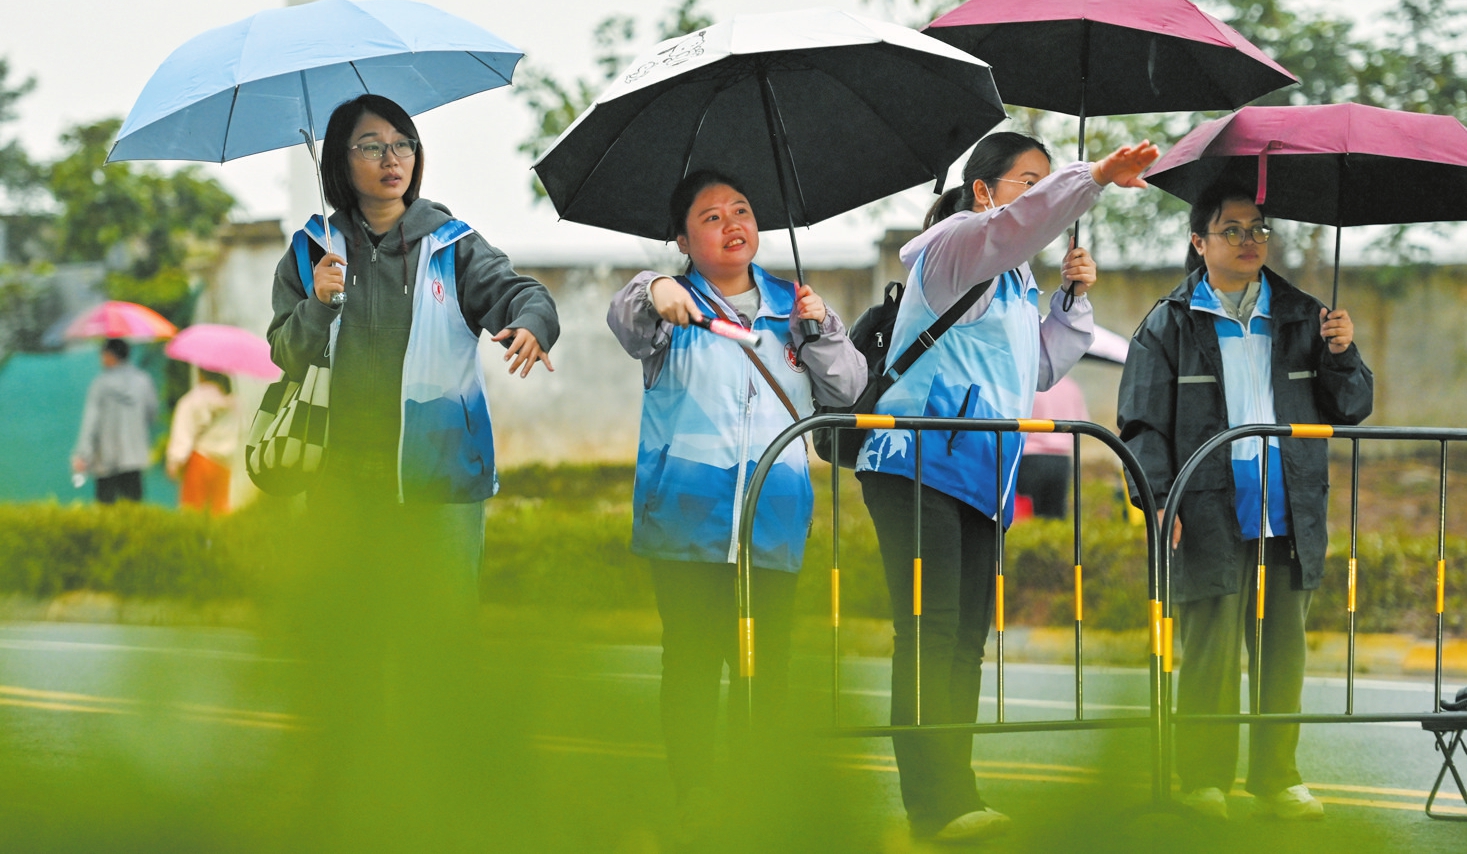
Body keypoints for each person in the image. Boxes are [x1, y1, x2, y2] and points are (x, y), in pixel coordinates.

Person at [855, 132, 1159, 843]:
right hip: (916, 462)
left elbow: (1040, 369)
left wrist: (1071, 302)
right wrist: (1092, 178)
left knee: (965, 641)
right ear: (984, 191)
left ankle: (955, 795)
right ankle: (932, 804)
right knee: (929, 633)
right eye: (1029, 180)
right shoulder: (956, 245)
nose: (1040, 194)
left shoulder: (1015, 282)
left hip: (980, 471)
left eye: (1046, 181)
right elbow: (1018, 227)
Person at [606, 170, 864, 835]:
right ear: (682, 238)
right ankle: (694, 795)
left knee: (766, 671)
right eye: (711, 216)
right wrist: (654, 286)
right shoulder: (672, 305)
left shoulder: (794, 306)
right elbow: (626, 321)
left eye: (741, 210)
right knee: (691, 665)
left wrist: (821, 330)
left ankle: (759, 800)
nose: (732, 225)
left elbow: (847, 391)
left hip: (772, 521)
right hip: (685, 522)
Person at [1117, 185, 1373, 822]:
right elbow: (1142, 423)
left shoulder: (1305, 316)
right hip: (1207, 508)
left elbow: (1351, 407)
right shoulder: (1169, 322)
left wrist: (1342, 353)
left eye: (1258, 228)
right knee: (1209, 651)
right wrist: (1158, 500)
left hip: (1288, 508)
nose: (1248, 240)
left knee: (1282, 654)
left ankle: (1276, 778)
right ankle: (1203, 779)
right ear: (1199, 242)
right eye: (1231, 229)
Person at [267, 93, 559, 589]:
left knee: (438, 626)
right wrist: (317, 305)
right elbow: (285, 355)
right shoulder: (310, 251)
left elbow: (521, 293)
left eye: (403, 144)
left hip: (438, 479)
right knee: (347, 626)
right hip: (337, 481)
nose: (392, 159)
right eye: (371, 146)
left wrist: (532, 322)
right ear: (340, 160)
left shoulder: (453, 246)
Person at [72, 337, 159, 504]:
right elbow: (152, 414)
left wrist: (83, 454)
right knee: (134, 508)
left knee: (106, 509)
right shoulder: (143, 381)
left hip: (106, 458)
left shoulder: (100, 384)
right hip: (134, 457)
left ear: (110, 355)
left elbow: (91, 422)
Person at [1016, 375, 1090, 520]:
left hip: (1030, 457)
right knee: (1055, 518)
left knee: (1025, 516)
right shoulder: (1071, 387)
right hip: (1062, 459)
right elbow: (1082, 421)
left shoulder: (1030, 383)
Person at [166, 369, 239, 513]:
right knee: (220, 512)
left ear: (200, 373)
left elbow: (184, 432)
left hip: (200, 459)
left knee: (194, 512)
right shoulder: (233, 403)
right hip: (225, 464)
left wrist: (175, 461)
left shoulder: (191, 401)